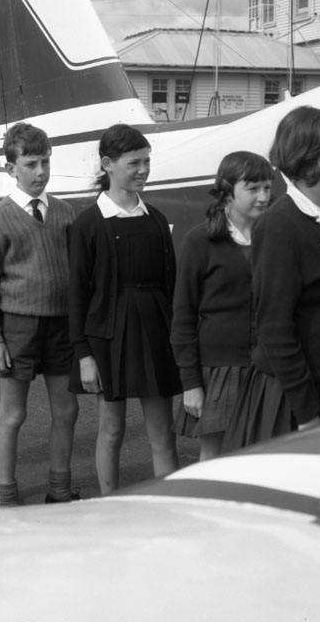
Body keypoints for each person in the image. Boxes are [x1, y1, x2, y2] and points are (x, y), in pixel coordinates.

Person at [225, 106, 320, 449]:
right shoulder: (279, 225)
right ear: (307, 163)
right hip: (296, 396)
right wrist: (307, 414)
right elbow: (275, 327)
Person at [69, 123, 181, 494]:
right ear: (107, 164)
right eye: (134, 162)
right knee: (112, 429)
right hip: (107, 338)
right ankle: (109, 505)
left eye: (147, 161)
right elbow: (77, 295)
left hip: (155, 332)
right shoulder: (88, 224)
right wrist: (84, 355)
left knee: (162, 432)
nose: (143, 169)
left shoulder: (156, 220)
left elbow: (170, 285)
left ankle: (168, 506)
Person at [0, 122, 79, 506]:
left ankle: (59, 489)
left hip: (61, 327)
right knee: (12, 414)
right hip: (17, 327)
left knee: (66, 410)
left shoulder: (66, 214)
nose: (40, 172)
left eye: (45, 162)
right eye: (31, 164)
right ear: (10, 169)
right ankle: (6, 495)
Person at [171, 152, 273, 461]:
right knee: (214, 457)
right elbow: (183, 316)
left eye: (267, 187)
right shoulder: (199, 241)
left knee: (263, 455)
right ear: (227, 191)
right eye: (253, 188)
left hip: (268, 366)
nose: (263, 197)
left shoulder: (276, 238)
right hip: (217, 368)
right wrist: (191, 383)